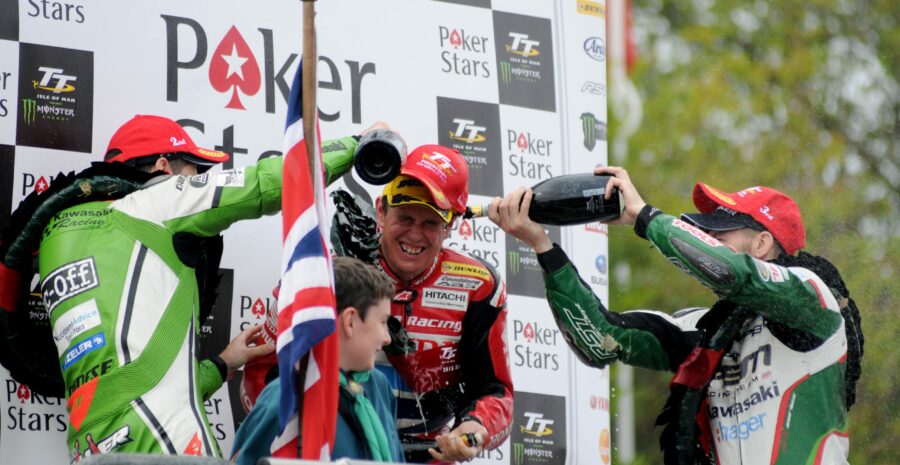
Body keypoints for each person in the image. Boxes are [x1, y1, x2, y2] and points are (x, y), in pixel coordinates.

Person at [0, 114, 376, 461]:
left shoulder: (53, 238)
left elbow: (129, 377)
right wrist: (360, 144)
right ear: (164, 167)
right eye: (192, 169)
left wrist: (222, 364)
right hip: (167, 443)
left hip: (89, 448)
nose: (195, 177)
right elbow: (270, 182)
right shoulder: (151, 205)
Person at [487, 166, 862, 465]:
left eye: (720, 232)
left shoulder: (814, 299)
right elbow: (598, 340)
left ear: (762, 244)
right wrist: (542, 246)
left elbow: (733, 272)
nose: (706, 239)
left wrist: (644, 218)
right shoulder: (703, 331)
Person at [336, 144, 514, 463]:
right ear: (380, 211)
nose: (415, 234)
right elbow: (265, 376)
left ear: (450, 226)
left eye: (430, 222)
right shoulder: (335, 269)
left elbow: (496, 393)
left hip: (429, 454)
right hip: (341, 447)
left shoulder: (477, 284)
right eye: (405, 218)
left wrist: (474, 428)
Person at [231, 256, 405, 464]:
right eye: (383, 322)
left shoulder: (378, 386)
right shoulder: (285, 398)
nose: (386, 338)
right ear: (350, 321)